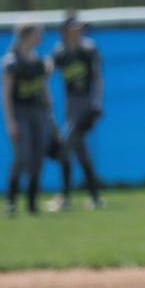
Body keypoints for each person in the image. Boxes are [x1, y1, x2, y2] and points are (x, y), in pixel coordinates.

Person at [46, 14, 104, 211]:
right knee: (81, 152)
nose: (79, 31)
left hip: (85, 103)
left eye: (80, 28)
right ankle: (94, 196)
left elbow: (97, 78)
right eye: (74, 28)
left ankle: (65, 197)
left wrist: (97, 103)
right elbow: (48, 71)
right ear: (65, 31)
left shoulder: (88, 49)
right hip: (71, 104)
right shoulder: (61, 51)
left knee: (65, 148)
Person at [0, 23, 53, 216]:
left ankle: (32, 203)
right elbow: (6, 95)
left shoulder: (40, 61)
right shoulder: (11, 61)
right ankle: (11, 202)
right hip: (20, 112)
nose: (40, 37)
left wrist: (50, 115)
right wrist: (10, 121)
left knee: (38, 158)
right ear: (26, 35)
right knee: (22, 157)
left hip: (38, 112)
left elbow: (44, 90)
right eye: (37, 33)